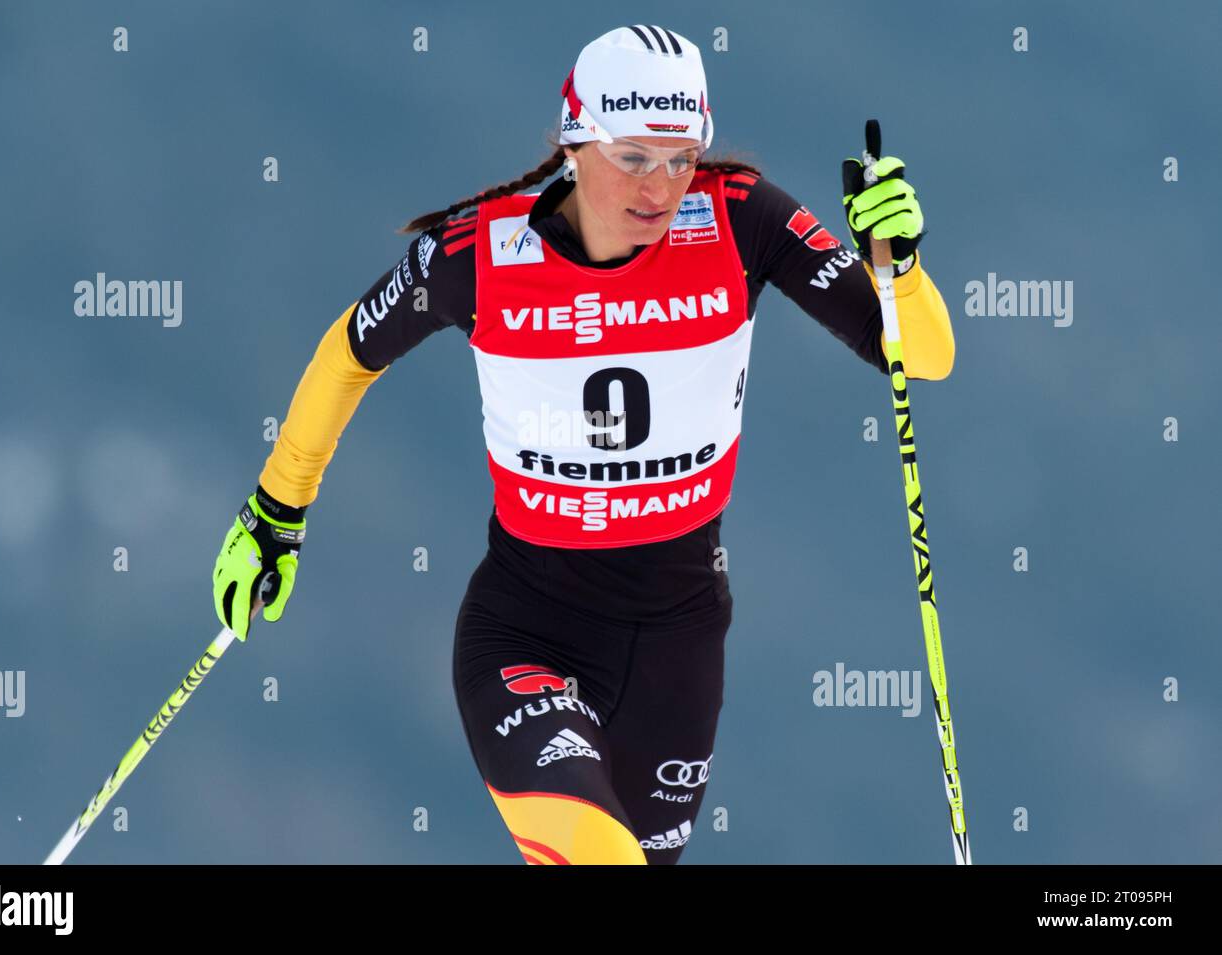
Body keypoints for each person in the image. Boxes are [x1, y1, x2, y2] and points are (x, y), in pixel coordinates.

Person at [212, 24, 955, 864]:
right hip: (526, 635)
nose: (660, 187)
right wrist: (278, 509)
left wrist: (901, 266)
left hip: (680, 648)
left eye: (680, 159)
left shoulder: (742, 219)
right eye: (633, 157)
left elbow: (919, 357)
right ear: (575, 141)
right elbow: (350, 353)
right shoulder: (481, 255)